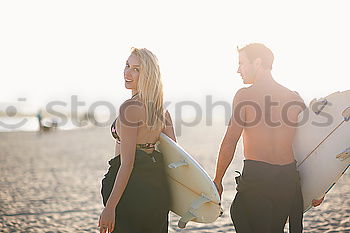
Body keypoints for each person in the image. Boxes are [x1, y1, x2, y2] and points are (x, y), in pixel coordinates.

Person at [213, 43, 324, 233]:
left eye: (241, 63)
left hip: (258, 178)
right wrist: (319, 187)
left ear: (258, 63)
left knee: (240, 213)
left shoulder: (245, 96)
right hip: (288, 182)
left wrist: (218, 180)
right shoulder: (294, 98)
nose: (237, 70)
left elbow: (230, 141)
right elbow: (314, 146)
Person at [99, 48, 176, 233]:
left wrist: (109, 208)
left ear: (148, 75)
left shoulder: (129, 108)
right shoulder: (161, 111)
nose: (127, 72)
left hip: (130, 190)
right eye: (127, 66)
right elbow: (174, 156)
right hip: (156, 189)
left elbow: (127, 164)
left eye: (136, 69)